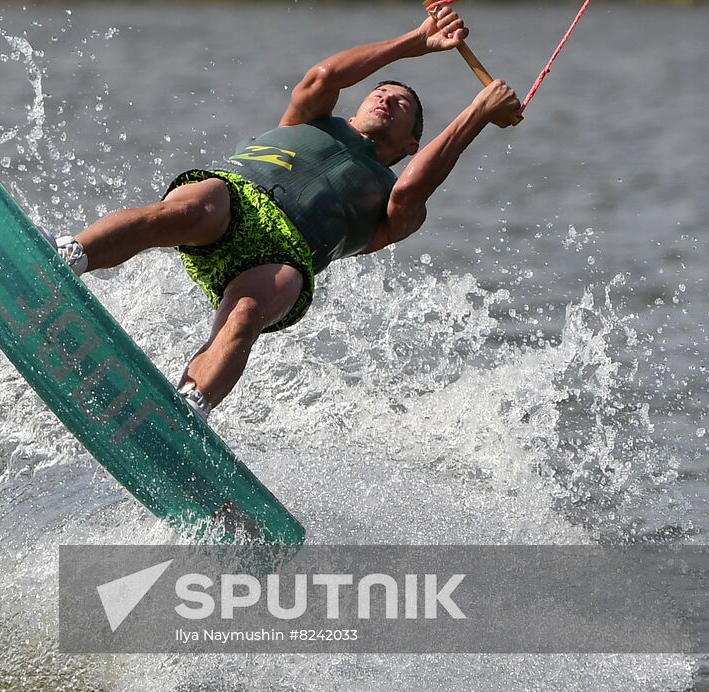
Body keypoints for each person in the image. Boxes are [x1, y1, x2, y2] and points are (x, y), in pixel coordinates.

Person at [51, 6, 521, 421]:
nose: (386, 99)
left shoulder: (395, 208)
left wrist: (477, 113)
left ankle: (190, 405)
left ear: (411, 143)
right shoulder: (309, 119)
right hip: (235, 200)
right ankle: (68, 256)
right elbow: (323, 75)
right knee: (187, 208)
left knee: (247, 314)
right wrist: (414, 41)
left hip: (284, 258)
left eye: (401, 105)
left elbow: (415, 185)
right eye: (380, 92)